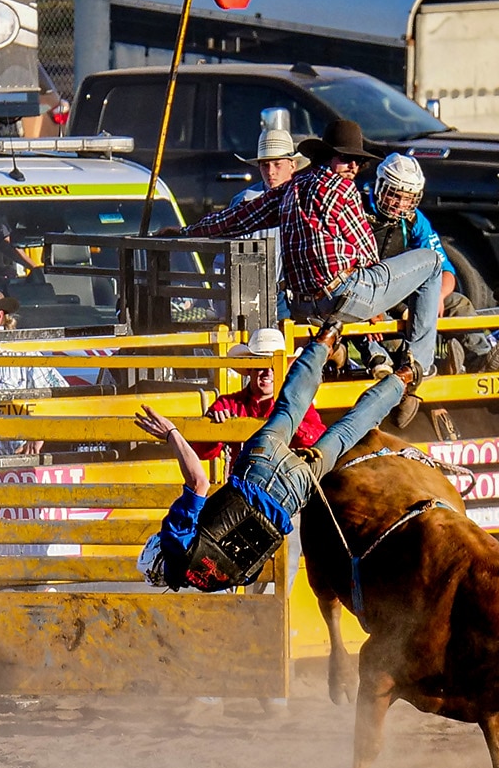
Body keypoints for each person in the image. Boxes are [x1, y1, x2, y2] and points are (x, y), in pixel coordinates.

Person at [179, 120, 440, 424]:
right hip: (345, 293)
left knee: (361, 290)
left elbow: (236, 219)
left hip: (304, 304)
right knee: (432, 262)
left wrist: (185, 231)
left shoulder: (290, 189)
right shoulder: (341, 188)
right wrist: (377, 308)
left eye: (357, 161)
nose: (353, 166)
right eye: (347, 159)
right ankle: (416, 367)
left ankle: (342, 348)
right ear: (329, 158)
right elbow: (367, 251)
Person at [134, 319, 406, 592]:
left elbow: (251, 570)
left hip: (289, 497)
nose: (265, 372)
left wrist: (223, 427)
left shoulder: (212, 581)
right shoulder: (174, 539)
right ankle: (323, 342)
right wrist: (172, 433)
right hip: (257, 471)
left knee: (345, 433)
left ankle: (400, 381)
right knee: (291, 408)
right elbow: (200, 480)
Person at [361, 153, 496, 373]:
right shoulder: (358, 212)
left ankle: (481, 359)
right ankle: (409, 365)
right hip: (371, 296)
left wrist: (438, 296)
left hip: (406, 292)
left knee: (458, 303)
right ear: (380, 186)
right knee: (381, 325)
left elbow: (445, 269)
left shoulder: (415, 220)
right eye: (394, 196)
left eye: (408, 198)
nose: (401, 204)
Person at [190, 328, 323, 464]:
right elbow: (201, 452)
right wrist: (217, 429)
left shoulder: (298, 404)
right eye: (261, 366)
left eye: (274, 367)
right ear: (249, 368)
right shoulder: (226, 404)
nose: (268, 373)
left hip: (284, 480)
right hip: (242, 481)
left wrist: (294, 423)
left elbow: (318, 440)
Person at [226, 127, 306, 206]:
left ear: (292, 166)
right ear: (259, 167)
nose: (270, 171)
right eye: (265, 165)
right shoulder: (244, 201)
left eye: (277, 164)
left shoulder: (305, 198)